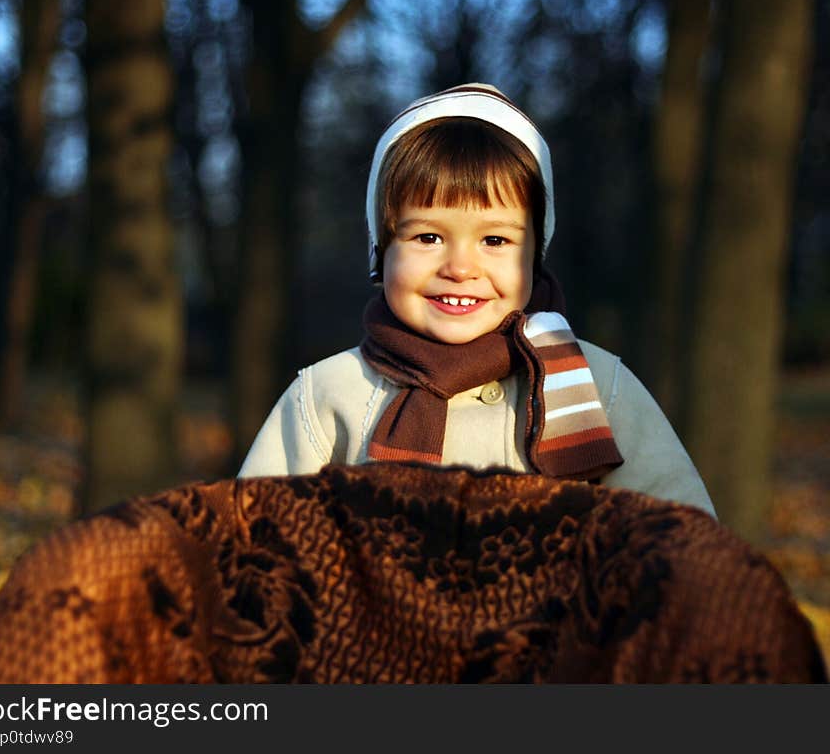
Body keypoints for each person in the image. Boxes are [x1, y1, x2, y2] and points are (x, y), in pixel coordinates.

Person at [238, 83, 714, 516]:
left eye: (495, 241)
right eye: (427, 237)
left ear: (534, 256)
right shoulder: (330, 394)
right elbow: (251, 545)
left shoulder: (595, 385)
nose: (460, 268)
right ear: (381, 251)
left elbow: (684, 542)